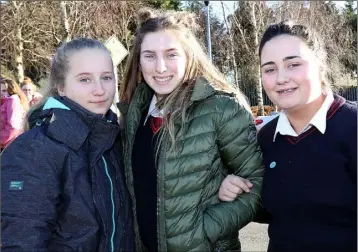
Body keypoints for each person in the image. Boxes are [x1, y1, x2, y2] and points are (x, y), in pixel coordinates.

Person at [117, 9, 264, 252]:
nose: (161, 67)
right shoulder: (135, 114)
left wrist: (203, 230)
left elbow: (257, 185)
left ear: (189, 56)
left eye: (171, 54)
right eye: (150, 55)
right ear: (139, 61)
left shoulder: (221, 108)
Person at [218, 21, 357, 252]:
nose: (281, 78)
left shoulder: (353, 127)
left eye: (293, 64)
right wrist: (235, 190)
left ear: (320, 66)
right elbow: (274, 210)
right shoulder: (266, 139)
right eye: (270, 69)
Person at [1, 38, 134, 251]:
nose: (99, 90)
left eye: (106, 77)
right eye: (85, 80)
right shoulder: (35, 149)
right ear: (61, 87)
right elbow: (22, 240)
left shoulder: (114, 138)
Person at [1, 78, 28, 151]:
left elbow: (13, 126)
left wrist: (1, 139)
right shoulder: (5, 101)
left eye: (4, 90)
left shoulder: (12, 101)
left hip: (8, 145)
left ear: (11, 90)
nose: (1, 93)